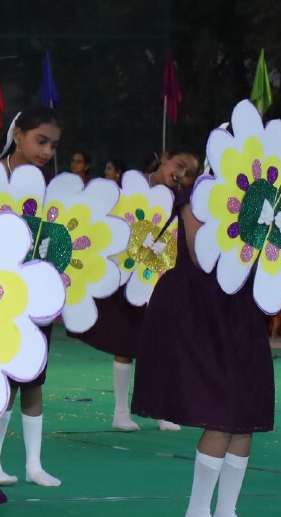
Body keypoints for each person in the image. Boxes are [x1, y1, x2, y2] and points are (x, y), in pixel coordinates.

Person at [132, 130, 277, 517]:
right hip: (199, 309)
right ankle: (196, 514)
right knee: (222, 406)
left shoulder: (259, 205)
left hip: (238, 309)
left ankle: (227, 510)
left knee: (247, 409)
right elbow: (202, 255)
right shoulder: (198, 201)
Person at [70, 150, 199, 432]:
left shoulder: (182, 201)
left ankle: (162, 410)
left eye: (188, 173)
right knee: (125, 344)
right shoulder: (132, 186)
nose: (181, 174)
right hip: (126, 276)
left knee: (163, 345)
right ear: (165, 159)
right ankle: (120, 412)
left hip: (160, 279)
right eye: (179, 165)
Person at [0, 107, 66, 487]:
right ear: (18, 136)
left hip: (36, 298)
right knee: (2, 378)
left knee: (33, 378)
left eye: (53, 145)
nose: (47, 151)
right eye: (40, 141)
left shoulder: (50, 189)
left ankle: (34, 464)